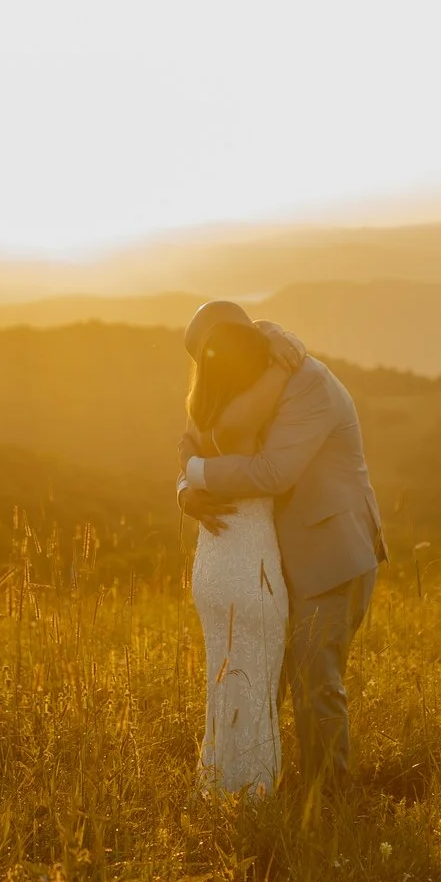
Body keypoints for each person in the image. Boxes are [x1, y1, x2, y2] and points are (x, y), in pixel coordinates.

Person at [178, 301, 386, 793]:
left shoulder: (306, 381)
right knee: (261, 679)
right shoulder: (247, 375)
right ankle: (265, 789)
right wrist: (185, 491)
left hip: (329, 555)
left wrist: (200, 475)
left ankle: (328, 806)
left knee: (315, 688)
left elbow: (273, 473)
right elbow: (195, 435)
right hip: (267, 559)